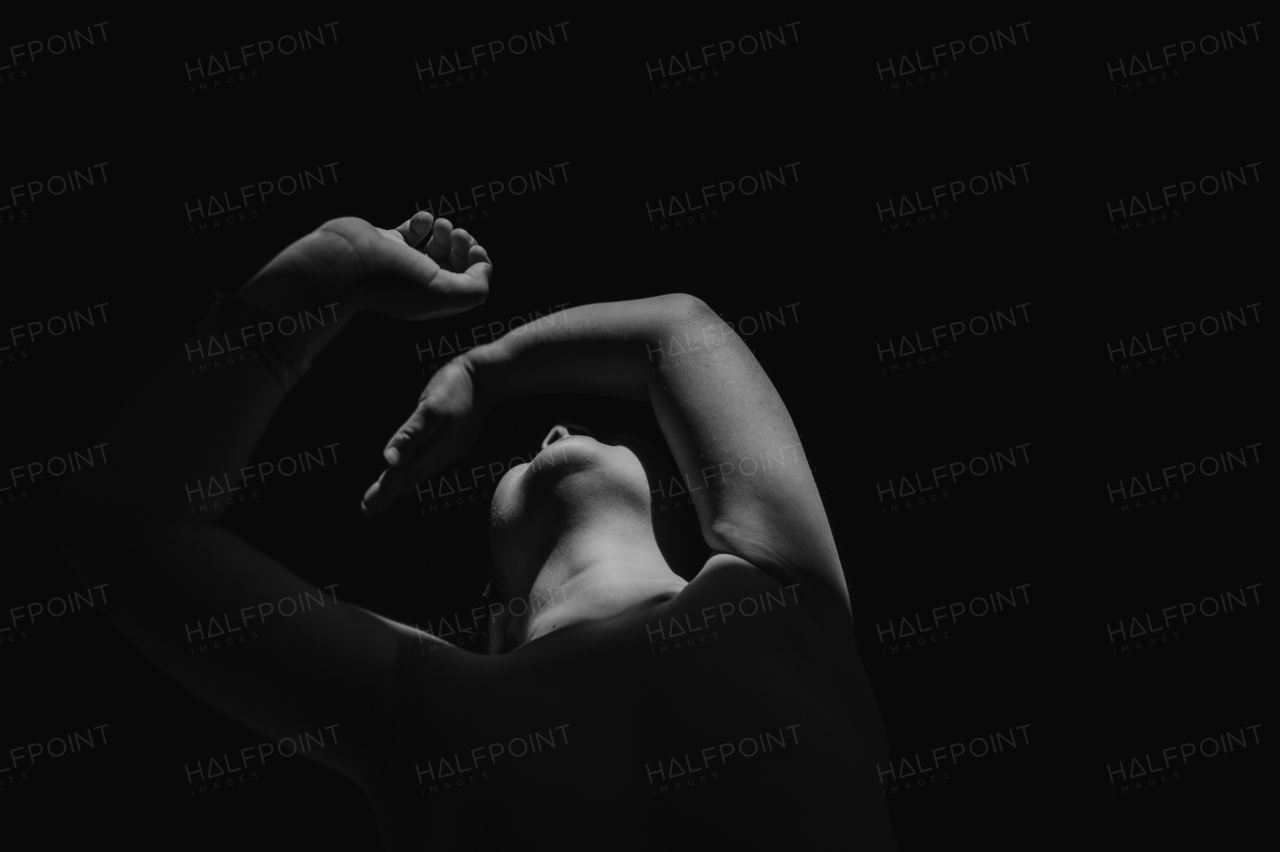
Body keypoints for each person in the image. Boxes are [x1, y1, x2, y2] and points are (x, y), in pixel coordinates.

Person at [55, 212, 896, 849]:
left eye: (573, 431)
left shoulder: (772, 587)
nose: (557, 431)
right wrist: (330, 269)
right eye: (536, 442)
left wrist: (483, 368)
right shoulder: (429, 704)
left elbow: (677, 332)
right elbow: (123, 533)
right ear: (497, 625)